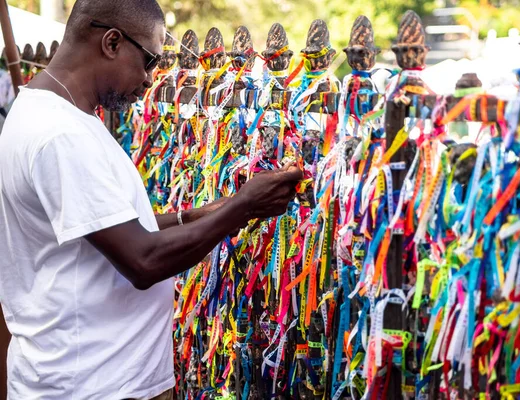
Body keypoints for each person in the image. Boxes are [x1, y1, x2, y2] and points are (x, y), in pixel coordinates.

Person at [0, 0, 302, 399]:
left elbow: (105, 227)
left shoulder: (58, 114)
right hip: (91, 385)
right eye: (149, 61)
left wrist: (198, 214)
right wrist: (243, 207)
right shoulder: (60, 134)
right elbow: (142, 261)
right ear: (111, 42)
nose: (149, 79)